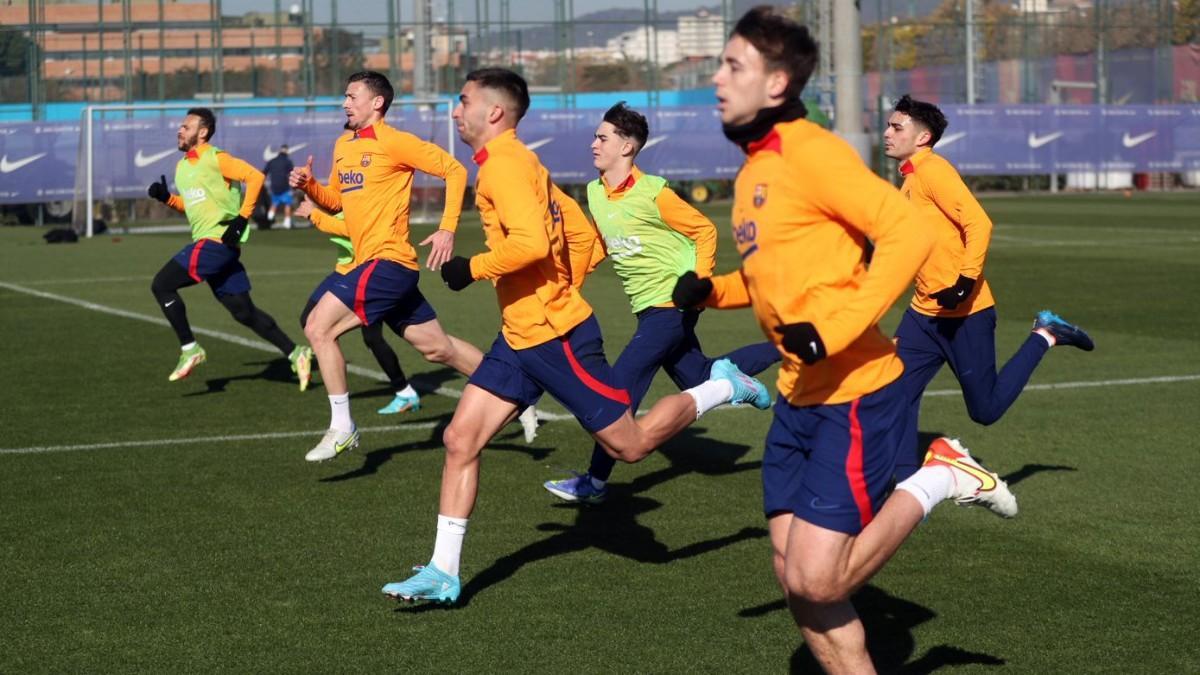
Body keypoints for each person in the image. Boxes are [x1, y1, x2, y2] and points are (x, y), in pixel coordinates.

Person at [671, 9, 1017, 672]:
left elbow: (908, 235)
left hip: (855, 394)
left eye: (732, 65)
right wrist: (712, 292)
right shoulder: (753, 174)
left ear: (776, 84)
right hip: (796, 398)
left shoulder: (813, 152)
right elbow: (772, 273)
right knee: (792, 574)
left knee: (822, 579)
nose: (716, 77)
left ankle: (939, 477)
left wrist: (832, 330)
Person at [380, 68, 771, 605]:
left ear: (493, 112)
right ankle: (443, 572)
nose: (454, 111)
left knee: (629, 446)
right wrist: (560, 283)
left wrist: (472, 270)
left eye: (463, 101)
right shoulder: (516, 164)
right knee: (460, 439)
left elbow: (535, 244)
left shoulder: (507, 169)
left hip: (556, 337)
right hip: (520, 335)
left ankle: (722, 385)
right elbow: (581, 235)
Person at [543, 101, 781, 504]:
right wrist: (571, 282)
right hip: (647, 309)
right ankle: (774, 352)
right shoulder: (594, 192)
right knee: (700, 377)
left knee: (617, 394)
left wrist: (700, 285)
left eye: (602, 138)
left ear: (627, 147)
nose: (593, 144)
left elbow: (705, 231)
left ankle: (595, 483)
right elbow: (602, 245)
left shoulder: (655, 193)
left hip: (671, 306)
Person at [882, 94, 1094, 480]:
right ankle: (901, 485)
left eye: (897, 127)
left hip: (966, 313)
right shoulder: (911, 178)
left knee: (985, 410)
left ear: (923, 136)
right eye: (889, 125)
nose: (887, 133)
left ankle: (1045, 335)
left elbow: (979, 223)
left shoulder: (933, 171)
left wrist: (964, 284)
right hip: (924, 315)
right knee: (892, 393)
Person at [288, 70, 485, 462]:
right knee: (437, 349)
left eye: (351, 96)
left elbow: (455, 170)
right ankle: (514, 388)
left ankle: (342, 427)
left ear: (377, 102)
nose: (345, 103)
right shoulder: (344, 145)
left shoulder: (395, 142)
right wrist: (310, 186)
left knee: (317, 327)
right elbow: (338, 202)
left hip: (388, 261)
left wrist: (447, 229)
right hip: (376, 266)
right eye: (344, 96)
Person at [146, 107, 313, 388]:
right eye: (180, 126)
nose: (180, 130)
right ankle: (297, 352)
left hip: (216, 243)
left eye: (186, 127)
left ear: (203, 132)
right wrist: (167, 199)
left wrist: (242, 218)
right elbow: (194, 209)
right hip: (214, 245)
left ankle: (190, 348)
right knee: (243, 312)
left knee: (162, 285)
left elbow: (256, 178)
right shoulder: (183, 166)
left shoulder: (216, 157)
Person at [295, 197, 420, 415]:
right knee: (309, 319)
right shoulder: (340, 192)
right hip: (344, 270)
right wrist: (311, 192)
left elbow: (354, 230)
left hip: (368, 273)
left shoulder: (361, 195)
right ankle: (335, 372)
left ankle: (405, 391)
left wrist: (314, 215)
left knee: (373, 336)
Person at [262, 144, 295, 229]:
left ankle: (268, 221)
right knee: (287, 204)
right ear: (287, 151)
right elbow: (292, 174)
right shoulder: (288, 161)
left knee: (274, 204)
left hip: (274, 187)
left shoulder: (272, 161)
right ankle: (287, 223)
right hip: (285, 187)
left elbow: (264, 173)